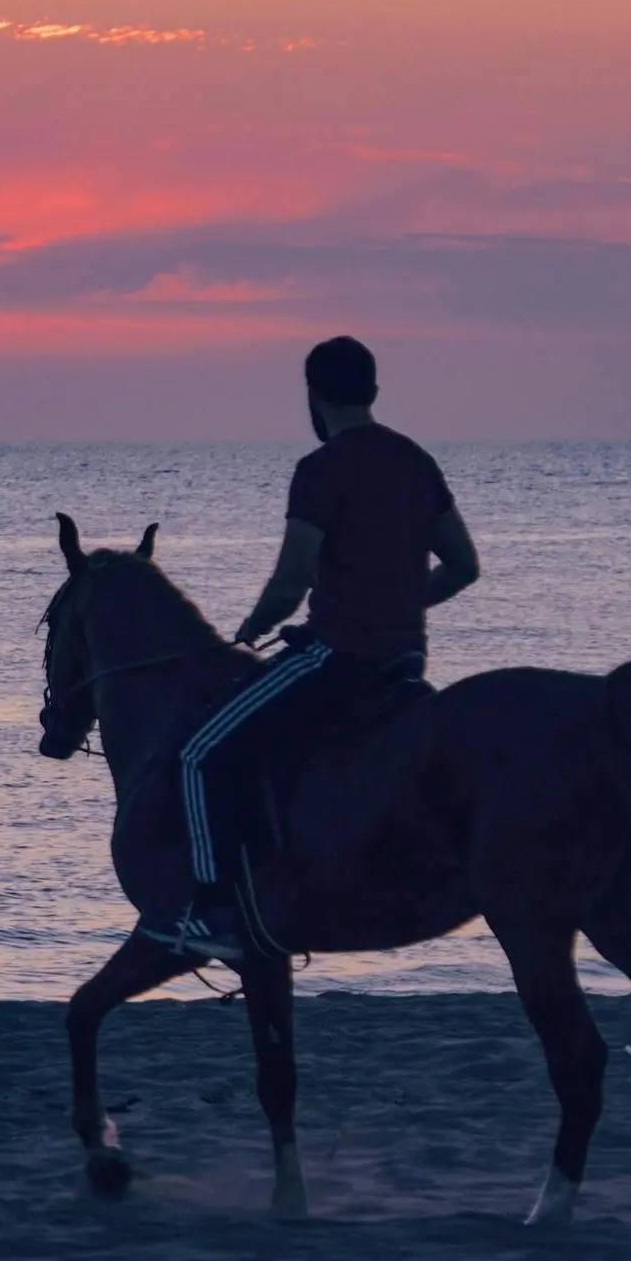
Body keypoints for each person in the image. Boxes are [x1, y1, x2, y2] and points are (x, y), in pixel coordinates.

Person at [165, 336, 480, 960]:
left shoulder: (322, 470)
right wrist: (401, 605)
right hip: (407, 662)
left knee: (198, 752)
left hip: (337, 658)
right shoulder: (415, 461)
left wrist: (252, 625)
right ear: (374, 393)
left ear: (313, 396)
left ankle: (214, 910)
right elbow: (463, 567)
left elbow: (291, 582)